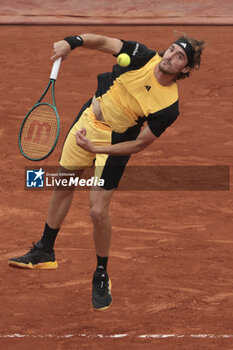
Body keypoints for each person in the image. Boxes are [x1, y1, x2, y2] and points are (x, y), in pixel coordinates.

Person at [8, 33, 206, 311]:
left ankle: (101, 273)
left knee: (97, 211)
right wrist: (72, 42)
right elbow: (103, 42)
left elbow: (139, 143)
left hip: (115, 141)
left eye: (179, 57)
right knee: (64, 182)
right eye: (171, 50)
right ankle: (45, 250)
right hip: (88, 120)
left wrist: (99, 149)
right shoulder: (141, 56)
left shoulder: (168, 107)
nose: (170, 57)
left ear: (185, 69)